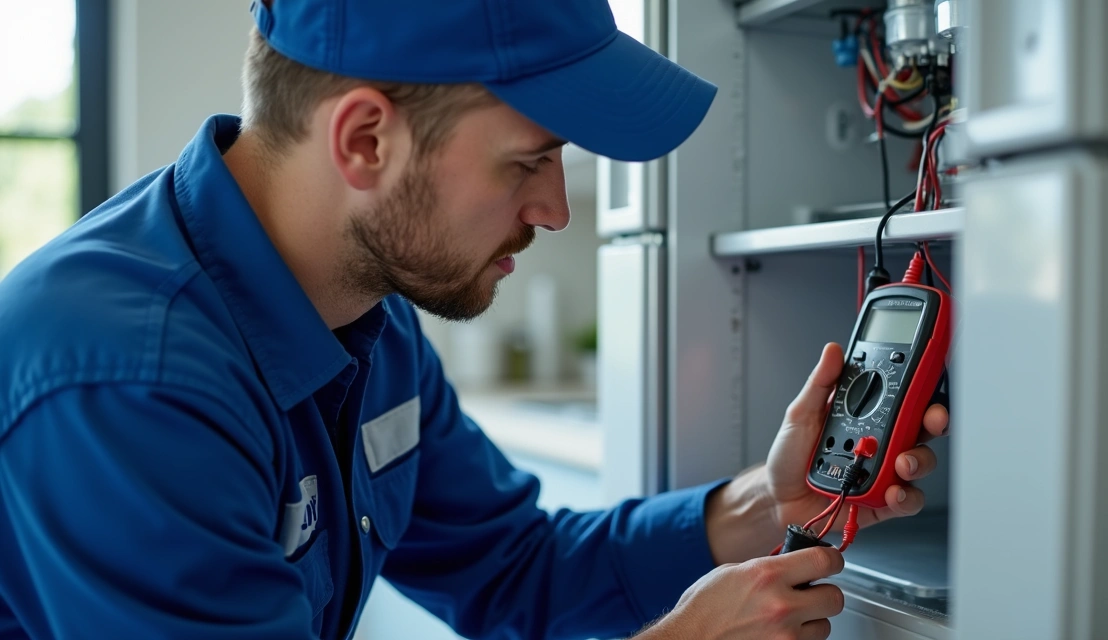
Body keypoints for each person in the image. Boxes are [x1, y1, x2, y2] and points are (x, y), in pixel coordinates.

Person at [0, 2, 949, 639]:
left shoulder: (366, 315)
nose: (556, 210)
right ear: (366, 139)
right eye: (527, 162)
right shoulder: (125, 379)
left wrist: (754, 508)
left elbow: (514, 568)